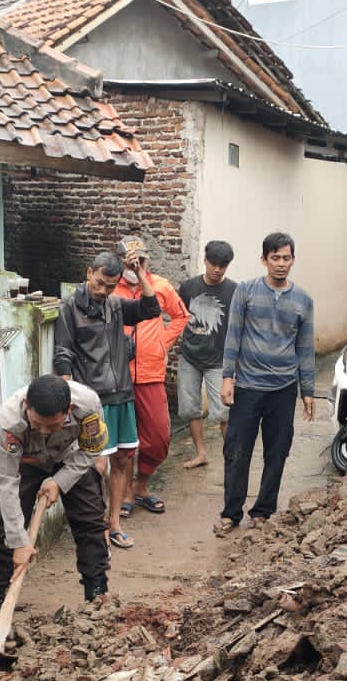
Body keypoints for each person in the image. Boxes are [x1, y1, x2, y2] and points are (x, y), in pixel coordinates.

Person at [0, 373, 112, 621]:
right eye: (37, 424)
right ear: (26, 405)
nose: (43, 431)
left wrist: (60, 481)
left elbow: (91, 449)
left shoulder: (88, 405)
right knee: (1, 529)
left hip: (71, 458)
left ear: (68, 410)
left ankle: (96, 595)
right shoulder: (8, 421)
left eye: (52, 426)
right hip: (26, 463)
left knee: (90, 521)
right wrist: (19, 542)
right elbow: (6, 482)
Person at [54, 250, 159, 551]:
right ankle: (96, 526)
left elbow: (151, 308)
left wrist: (140, 273)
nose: (103, 290)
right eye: (100, 283)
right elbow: (63, 353)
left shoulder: (115, 304)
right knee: (96, 466)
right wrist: (69, 395)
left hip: (122, 393)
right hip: (92, 400)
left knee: (122, 460)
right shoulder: (70, 307)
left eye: (110, 286)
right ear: (89, 272)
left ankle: (114, 523)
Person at [215, 231, 315, 536]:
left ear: (293, 260)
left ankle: (263, 510)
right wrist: (227, 378)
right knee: (237, 451)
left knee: (277, 451)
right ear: (264, 259)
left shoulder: (303, 300)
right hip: (247, 386)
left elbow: (305, 348)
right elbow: (233, 336)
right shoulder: (245, 292)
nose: (281, 264)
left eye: (286, 258)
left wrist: (307, 391)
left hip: (283, 388)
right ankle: (231, 512)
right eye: (275, 258)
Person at [111, 236, 188, 514]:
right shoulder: (111, 288)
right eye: (129, 262)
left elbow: (181, 316)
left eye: (140, 260)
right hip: (118, 374)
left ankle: (140, 485)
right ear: (119, 262)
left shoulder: (160, 285)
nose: (134, 266)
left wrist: (162, 343)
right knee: (125, 440)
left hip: (151, 372)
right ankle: (125, 494)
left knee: (158, 437)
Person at [176, 240, 236, 469]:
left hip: (219, 360)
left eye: (223, 265)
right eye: (214, 264)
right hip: (189, 356)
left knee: (224, 412)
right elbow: (180, 316)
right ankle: (201, 453)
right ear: (205, 260)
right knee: (191, 408)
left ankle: (233, 458)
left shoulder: (234, 291)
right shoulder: (188, 287)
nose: (217, 269)